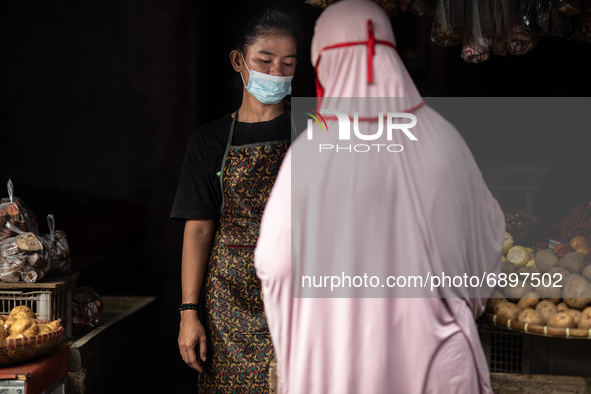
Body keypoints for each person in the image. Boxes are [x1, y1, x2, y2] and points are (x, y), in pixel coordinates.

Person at [254, 0, 505, 393]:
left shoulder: (307, 154)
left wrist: (311, 338)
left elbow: (274, 264)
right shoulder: (445, 141)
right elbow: (487, 241)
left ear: (327, 66)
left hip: (337, 368)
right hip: (436, 368)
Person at [170, 3, 297, 392]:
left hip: (297, 296)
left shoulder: (313, 130)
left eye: (288, 63)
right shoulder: (208, 141)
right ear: (238, 60)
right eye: (265, 60)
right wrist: (189, 312)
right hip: (229, 302)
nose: (277, 73)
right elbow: (199, 229)